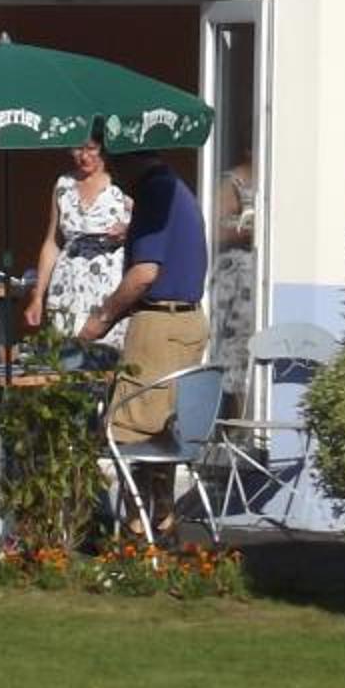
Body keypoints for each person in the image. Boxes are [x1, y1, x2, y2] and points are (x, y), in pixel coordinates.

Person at [84, 150, 209, 532]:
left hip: (160, 324)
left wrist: (102, 318)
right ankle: (162, 516)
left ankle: (136, 526)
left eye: (114, 166)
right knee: (161, 427)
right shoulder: (176, 188)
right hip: (187, 321)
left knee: (127, 427)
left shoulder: (155, 193)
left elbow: (144, 274)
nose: (114, 177)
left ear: (131, 160)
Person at [21, 130, 130, 347]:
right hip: (67, 283)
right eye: (78, 149)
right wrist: (38, 296)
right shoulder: (63, 185)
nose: (84, 156)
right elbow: (52, 242)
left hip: (108, 285)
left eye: (91, 149)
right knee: (66, 355)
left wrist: (127, 231)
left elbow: (146, 230)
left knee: (105, 355)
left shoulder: (122, 185)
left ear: (103, 149)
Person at [208, 152, 258, 404]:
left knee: (247, 347)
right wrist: (248, 230)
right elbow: (213, 227)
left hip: (256, 280)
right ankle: (222, 408)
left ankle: (239, 405)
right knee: (231, 344)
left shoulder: (272, 176)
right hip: (235, 278)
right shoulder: (234, 180)